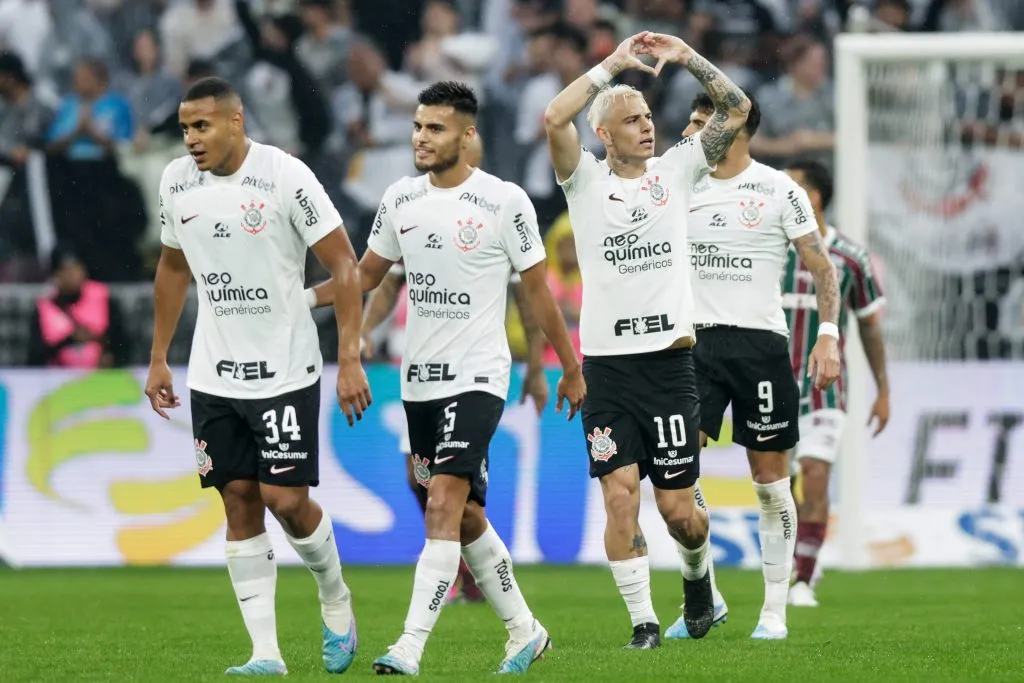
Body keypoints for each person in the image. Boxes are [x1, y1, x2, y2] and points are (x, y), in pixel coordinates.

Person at [143, 77, 371, 676]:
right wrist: (159, 355)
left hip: (285, 367)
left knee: (285, 500)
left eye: (202, 126)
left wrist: (349, 357)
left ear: (236, 121)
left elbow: (345, 265)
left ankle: (334, 595)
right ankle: (265, 653)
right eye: (184, 129)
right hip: (214, 372)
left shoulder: (285, 176)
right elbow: (173, 268)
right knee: (238, 500)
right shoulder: (176, 182)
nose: (191, 139)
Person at [357, 80, 586, 676]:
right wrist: (300, 298)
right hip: (419, 382)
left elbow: (538, 294)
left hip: (479, 375)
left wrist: (567, 367)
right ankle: (526, 632)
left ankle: (408, 647)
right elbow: (366, 278)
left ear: (467, 135)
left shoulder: (505, 202)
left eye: (435, 128)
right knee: (465, 518)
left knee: (441, 502)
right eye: (417, 126)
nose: (421, 138)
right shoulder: (400, 200)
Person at [544, 31, 751, 649]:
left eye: (648, 117)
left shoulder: (677, 169)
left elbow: (736, 108)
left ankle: (698, 578)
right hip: (607, 371)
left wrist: (687, 58)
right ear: (603, 134)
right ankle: (643, 623)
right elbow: (554, 116)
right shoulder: (582, 181)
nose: (647, 127)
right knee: (619, 495)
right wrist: (611, 65)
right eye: (631, 120)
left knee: (680, 513)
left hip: (669, 367)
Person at [674, 91, 841, 641]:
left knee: (771, 484)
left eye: (700, 123)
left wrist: (828, 336)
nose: (688, 132)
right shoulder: (679, 183)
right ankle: (705, 592)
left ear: (735, 127)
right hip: (693, 347)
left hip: (760, 347)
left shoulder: (779, 189)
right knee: (676, 476)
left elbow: (822, 267)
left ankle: (774, 612)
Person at [782, 158, 890, 607]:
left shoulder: (850, 257)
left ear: (814, 197)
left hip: (825, 389)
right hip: (772, 387)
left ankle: (803, 580)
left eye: (791, 187)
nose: (781, 193)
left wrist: (883, 391)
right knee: (778, 486)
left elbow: (869, 327)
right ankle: (799, 552)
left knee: (816, 474)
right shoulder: (771, 249)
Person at [27, 246, 128, 368]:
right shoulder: (44, 307)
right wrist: (70, 340)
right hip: (58, 376)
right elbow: (35, 355)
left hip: (101, 374)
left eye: (76, 268)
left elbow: (122, 342)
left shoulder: (102, 297)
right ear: (55, 275)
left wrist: (110, 357)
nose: (72, 275)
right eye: (65, 270)